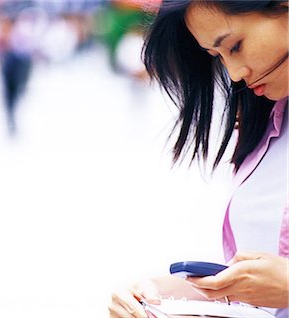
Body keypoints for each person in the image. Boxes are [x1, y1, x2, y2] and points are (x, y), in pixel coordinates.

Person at [108, 1, 288, 317]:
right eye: (218, 57)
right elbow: (263, 288)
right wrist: (160, 296)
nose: (235, 74)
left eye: (235, 46)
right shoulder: (267, 123)